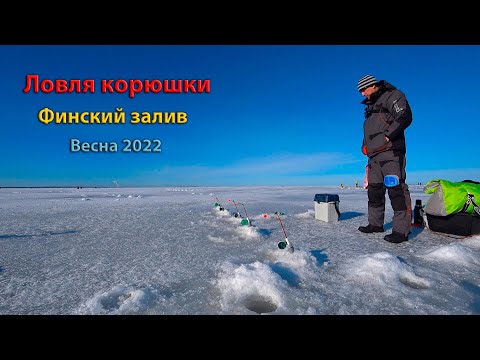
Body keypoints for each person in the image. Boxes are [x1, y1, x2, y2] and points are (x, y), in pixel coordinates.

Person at [357, 75, 413, 243]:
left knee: (396, 190)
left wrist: (389, 137)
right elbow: (370, 131)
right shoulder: (370, 106)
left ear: (373, 85)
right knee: (374, 191)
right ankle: (375, 224)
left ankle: (401, 231)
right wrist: (364, 146)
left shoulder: (393, 95)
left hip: (391, 153)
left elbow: (404, 117)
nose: (362, 94)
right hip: (373, 157)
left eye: (363, 89)